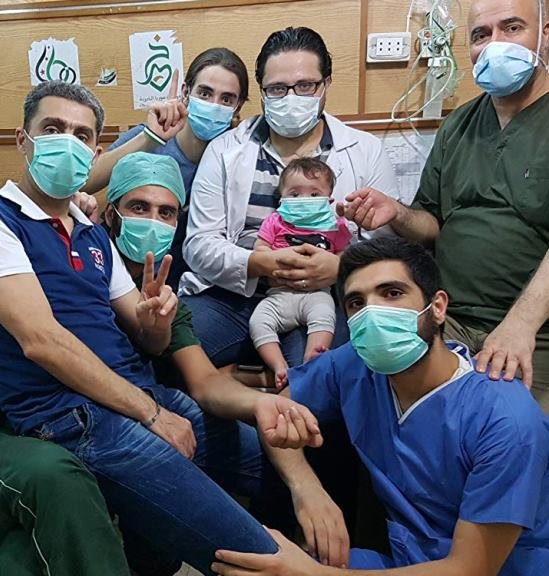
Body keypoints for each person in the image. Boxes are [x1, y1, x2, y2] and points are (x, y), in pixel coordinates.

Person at [0, 81, 284, 574]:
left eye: (81, 135)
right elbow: (42, 342)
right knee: (252, 551)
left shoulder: (91, 235)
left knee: (276, 467)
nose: (67, 141)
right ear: (23, 140)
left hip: (139, 399)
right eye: (53, 128)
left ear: (95, 151)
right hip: (72, 419)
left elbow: (146, 334)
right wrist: (150, 414)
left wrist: (157, 319)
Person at [337, 0, 549, 472]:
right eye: (480, 34)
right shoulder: (459, 126)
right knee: (402, 445)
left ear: (545, 35)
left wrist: (520, 325)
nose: (494, 44)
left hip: (538, 331)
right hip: (445, 318)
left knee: (529, 468)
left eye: (512, 27)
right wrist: (395, 213)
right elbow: (431, 221)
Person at [212, 236, 549, 575]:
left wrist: (313, 573)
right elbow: (282, 408)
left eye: (392, 293)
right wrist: (306, 488)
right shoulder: (354, 364)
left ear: (437, 307)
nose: (373, 313)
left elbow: (469, 569)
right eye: (357, 303)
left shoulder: (505, 420)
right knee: (254, 561)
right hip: (405, 562)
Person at [99, 150, 322, 574]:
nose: (152, 221)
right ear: (111, 214)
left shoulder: (168, 301)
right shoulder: (82, 276)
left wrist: (262, 405)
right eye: (138, 207)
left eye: (166, 213)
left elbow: (203, 381)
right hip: (113, 422)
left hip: (173, 414)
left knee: (280, 466)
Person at [181, 27, 404, 370]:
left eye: (305, 86)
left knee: (318, 364)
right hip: (235, 298)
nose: (291, 97)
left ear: (325, 85)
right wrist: (259, 263)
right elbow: (199, 245)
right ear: (263, 92)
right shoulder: (226, 149)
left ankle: (263, 396)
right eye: (277, 89)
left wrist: (339, 267)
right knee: (176, 343)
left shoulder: (366, 151)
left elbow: (388, 250)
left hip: (325, 296)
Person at [86, 47, 251, 288]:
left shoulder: (238, 156)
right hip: (126, 263)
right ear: (186, 92)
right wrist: (151, 137)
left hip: (190, 271)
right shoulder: (153, 136)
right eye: (205, 93)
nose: (214, 105)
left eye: (226, 99)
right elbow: (84, 181)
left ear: (238, 106)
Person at [251, 157, 353, 387]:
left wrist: (334, 263)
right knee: (258, 322)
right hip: (277, 296)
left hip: (316, 294)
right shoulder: (275, 221)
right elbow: (260, 249)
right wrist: (274, 260)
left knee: (326, 317)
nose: (304, 200)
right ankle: (278, 365)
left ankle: (312, 357)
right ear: (282, 197)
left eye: (314, 195)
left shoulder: (335, 224)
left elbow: (345, 254)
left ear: (329, 198)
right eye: (295, 195)